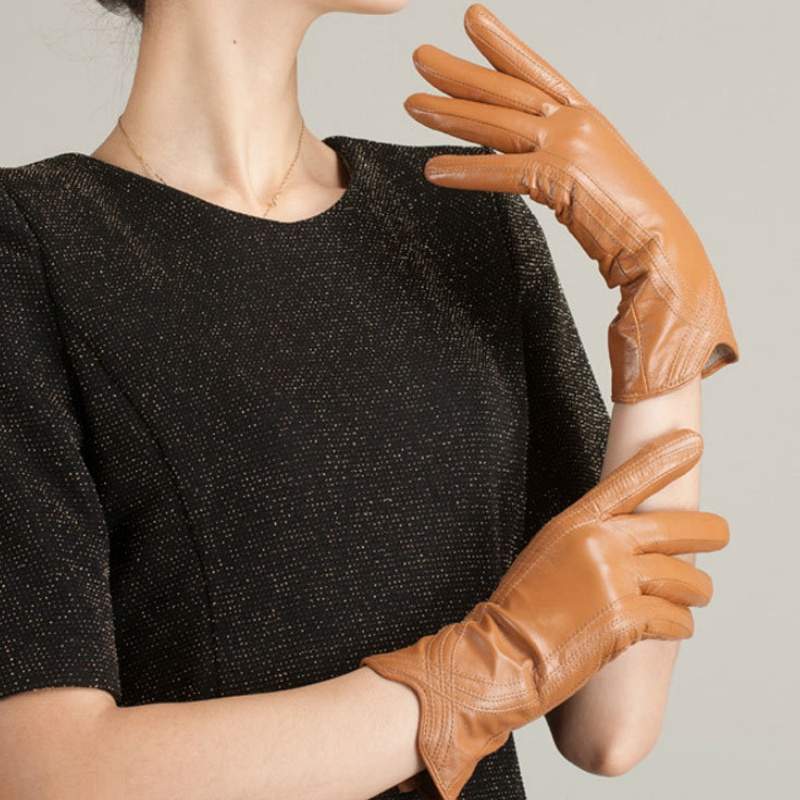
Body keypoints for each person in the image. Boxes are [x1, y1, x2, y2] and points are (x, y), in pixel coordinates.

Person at [0, 2, 737, 799]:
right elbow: (48, 770)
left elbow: (611, 723)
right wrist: (492, 666)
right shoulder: (34, 248)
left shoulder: (461, 214)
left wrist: (666, 310)